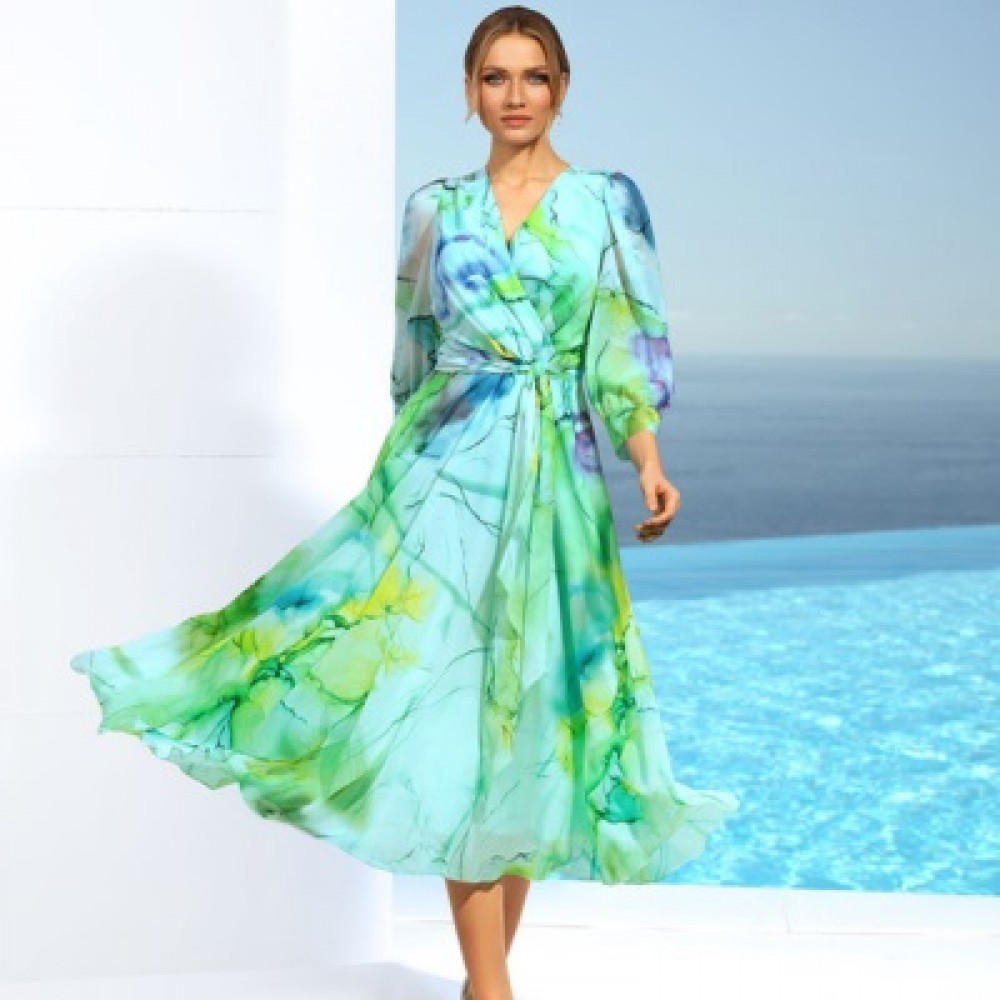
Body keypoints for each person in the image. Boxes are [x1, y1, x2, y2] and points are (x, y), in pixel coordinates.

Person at [70, 6, 740, 1000]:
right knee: (459, 716)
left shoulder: (607, 203)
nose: (515, 96)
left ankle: (482, 984)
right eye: (495, 77)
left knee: (532, 724)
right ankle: (492, 990)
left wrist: (647, 459)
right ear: (469, 91)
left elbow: (625, 346)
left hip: (555, 484)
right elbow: (412, 354)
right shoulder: (435, 209)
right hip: (442, 478)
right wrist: (405, 480)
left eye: (534, 76)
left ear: (562, 88)